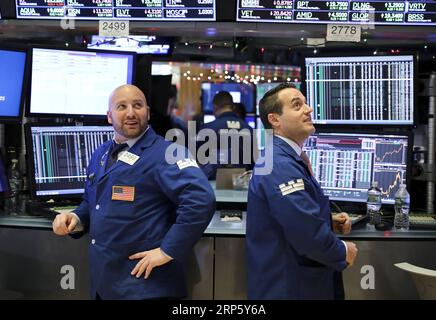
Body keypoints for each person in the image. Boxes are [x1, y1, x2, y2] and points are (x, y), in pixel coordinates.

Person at [52, 84, 216, 300]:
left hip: (146, 287)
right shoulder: (100, 154)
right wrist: (74, 218)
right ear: (109, 116)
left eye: (137, 105)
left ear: (147, 112)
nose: (130, 112)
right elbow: (92, 202)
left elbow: (200, 200)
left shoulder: (168, 152)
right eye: (122, 106)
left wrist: (167, 251)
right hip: (105, 284)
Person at [246, 83, 358, 300]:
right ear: (274, 120)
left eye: (305, 103)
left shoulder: (287, 157)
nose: (308, 109)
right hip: (288, 286)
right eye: (297, 105)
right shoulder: (279, 164)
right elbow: (306, 233)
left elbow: (292, 214)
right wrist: (342, 251)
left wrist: (326, 219)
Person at [197, 91, 255, 179]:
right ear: (233, 107)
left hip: (213, 184)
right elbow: (253, 164)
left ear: (215, 107)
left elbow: (198, 160)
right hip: (241, 185)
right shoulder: (249, 129)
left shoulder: (207, 128)